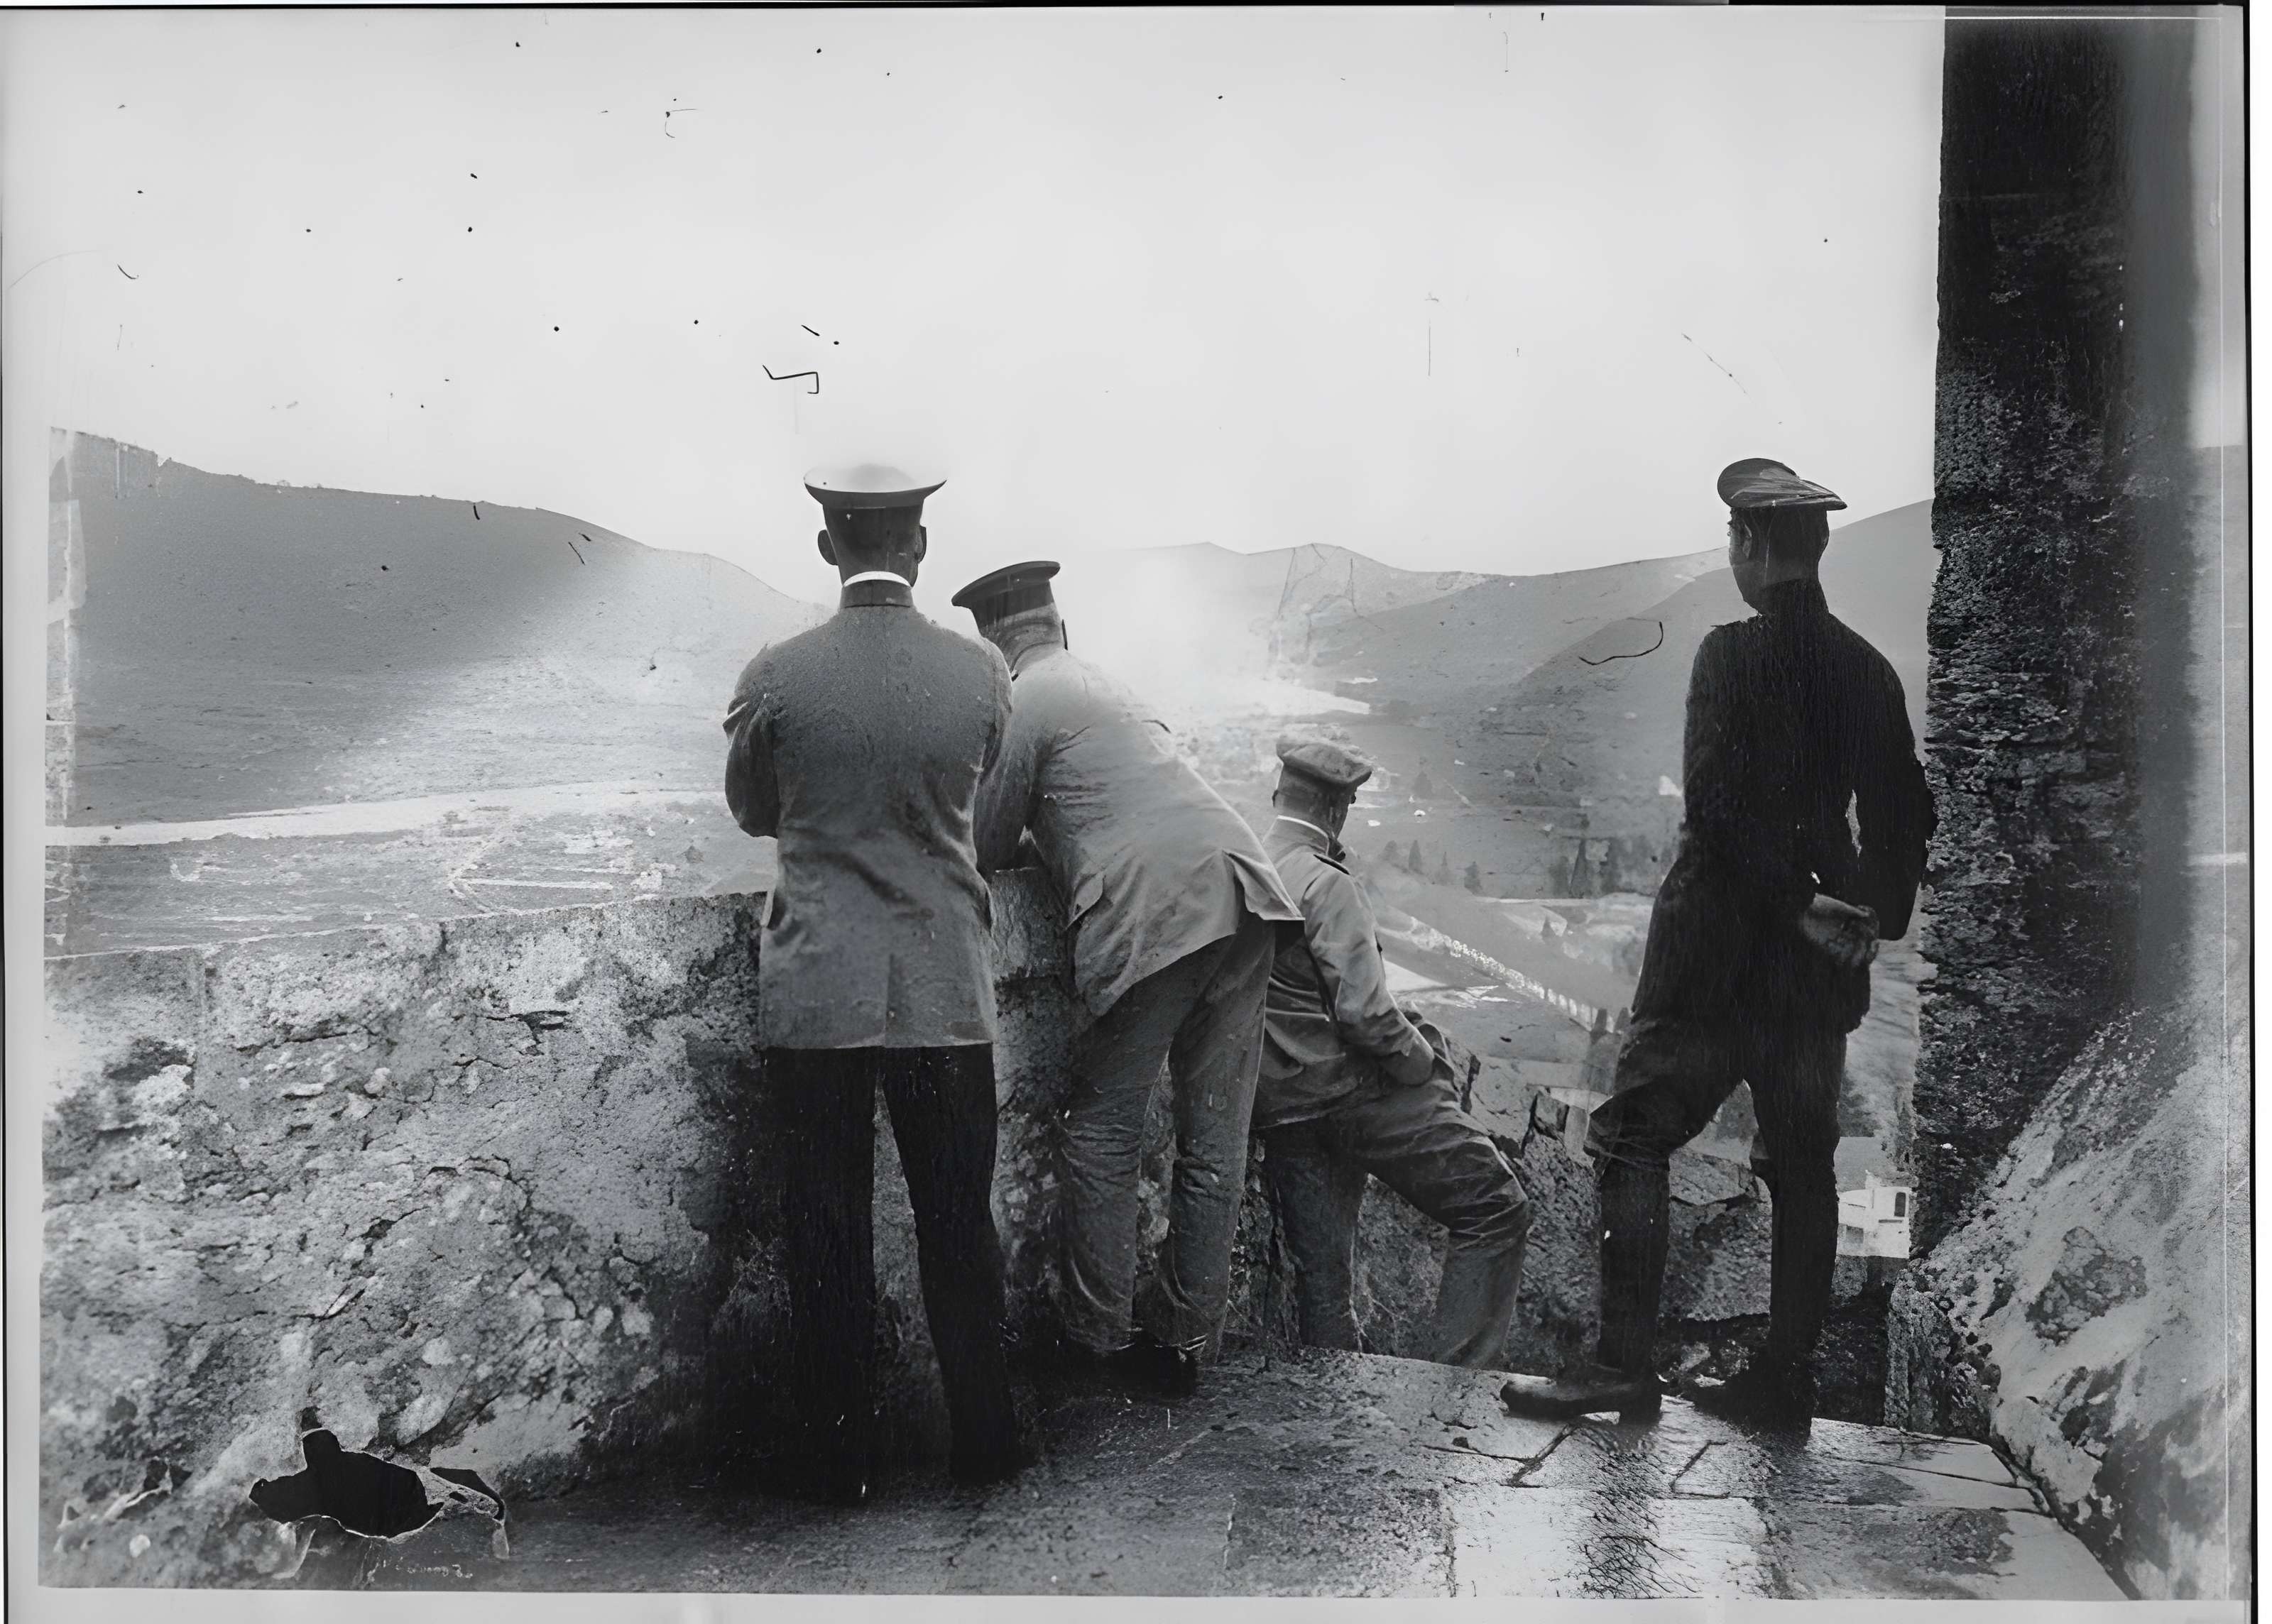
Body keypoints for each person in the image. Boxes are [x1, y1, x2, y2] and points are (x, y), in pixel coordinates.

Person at [1502, 458, 1935, 1429]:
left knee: (1631, 1136)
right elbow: (1908, 809)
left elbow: (1721, 814)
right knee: (1802, 1166)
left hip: (1712, 964)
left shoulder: (1728, 658)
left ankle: (1622, 1367)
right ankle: (1786, 1384)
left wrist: (1795, 906)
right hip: (1810, 983)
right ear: (1813, 551)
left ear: (1748, 547)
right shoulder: (1865, 668)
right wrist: (1865, 908)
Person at [723, 463, 1022, 1505]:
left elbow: (754, 810)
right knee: (958, 1225)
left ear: (827, 547)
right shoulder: (981, 672)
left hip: (818, 994)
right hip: (945, 987)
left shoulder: (778, 673)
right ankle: (988, 1441)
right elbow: (983, 801)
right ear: (921, 547)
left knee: (827, 1230)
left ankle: (838, 1462)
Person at [954, 561, 1300, 1397]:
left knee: (1099, 1130)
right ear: (1057, 623)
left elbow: (985, 845)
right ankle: (1183, 1343)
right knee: (1213, 1138)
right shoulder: (1106, 684)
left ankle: (1096, 1339)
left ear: (993, 648)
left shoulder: (1021, 700)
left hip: (1160, 910)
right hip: (1242, 887)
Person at [1253, 735, 1533, 1368]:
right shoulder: (1328, 885)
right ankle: (1460, 1391)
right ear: (1336, 810)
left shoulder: (1246, 861)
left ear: (1279, 797)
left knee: (1324, 1287)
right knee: (1496, 1208)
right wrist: (1421, 1062)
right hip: (1346, 1098)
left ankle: (1327, 1419)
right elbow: (1366, 1016)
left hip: (1278, 1108)